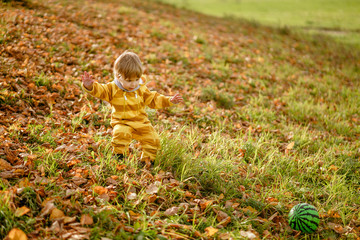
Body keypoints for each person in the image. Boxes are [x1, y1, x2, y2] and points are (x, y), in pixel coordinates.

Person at [81, 50, 183, 168]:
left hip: (141, 122)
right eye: (129, 81)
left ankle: (147, 162)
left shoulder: (140, 89)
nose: (133, 84)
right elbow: (101, 90)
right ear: (119, 77)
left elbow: (154, 99)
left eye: (136, 79)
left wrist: (169, 100)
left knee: (152, 138)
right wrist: (90, 86)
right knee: (121, 134)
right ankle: (119, 157)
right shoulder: (113, 88)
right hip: (122, 121)